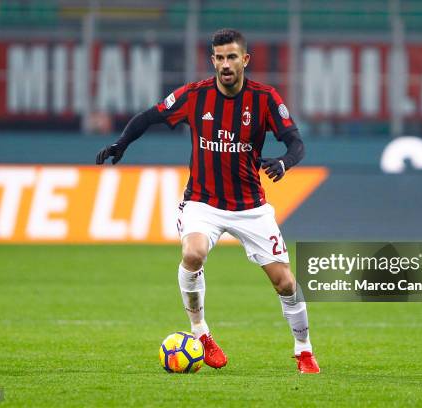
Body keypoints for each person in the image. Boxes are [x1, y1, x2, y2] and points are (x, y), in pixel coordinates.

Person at [96, 28, 319, 374]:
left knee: (285, 282)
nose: (225, 64)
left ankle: (304, 351)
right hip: (203, 202)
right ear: (212, 60)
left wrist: (284, 162)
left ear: (245, 60)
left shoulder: (264, 98)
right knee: (192, 253)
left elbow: (296, 142)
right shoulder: (194, 96)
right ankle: (201, 334)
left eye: (232, 57)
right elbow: (149, 116)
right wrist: (121, 144)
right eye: (220, 57)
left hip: (251, 207)